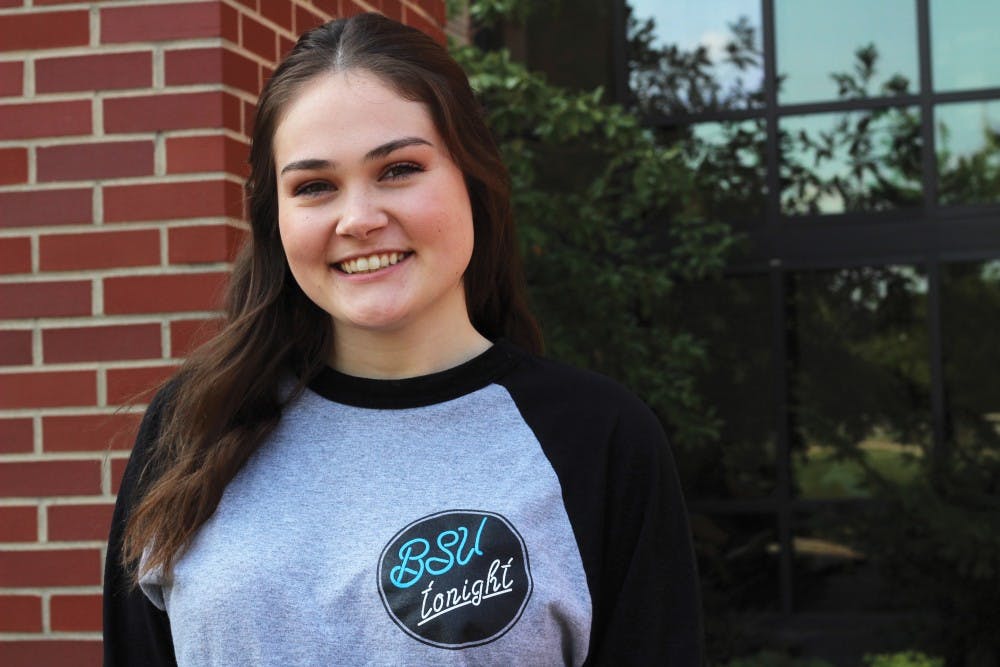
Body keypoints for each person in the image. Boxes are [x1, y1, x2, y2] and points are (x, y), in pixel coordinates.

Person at [102, 12, 702, 666]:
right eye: (314, 186)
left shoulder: (599, 439)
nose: (359, 218)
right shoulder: (192, 428)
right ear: (276, 220)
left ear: (474, 180)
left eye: (399, 169)